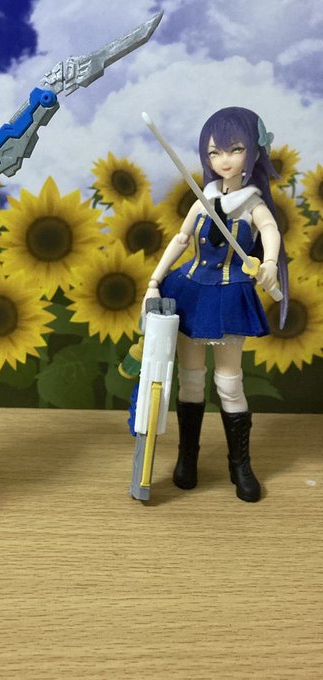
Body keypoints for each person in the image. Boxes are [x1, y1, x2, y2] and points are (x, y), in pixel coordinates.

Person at [143, 107, 288, 502]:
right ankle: (187, 457)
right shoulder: (203, 198)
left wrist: (269, 263)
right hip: (191, 290)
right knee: (190, 380)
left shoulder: (252, 204)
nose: (224, 160)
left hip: (229, 295)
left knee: (228, 382)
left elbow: (270, 230)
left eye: (235, 149)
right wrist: (154, 281)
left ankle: (240, 464)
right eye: (214, 152)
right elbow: (180, 239)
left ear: (253, 152)